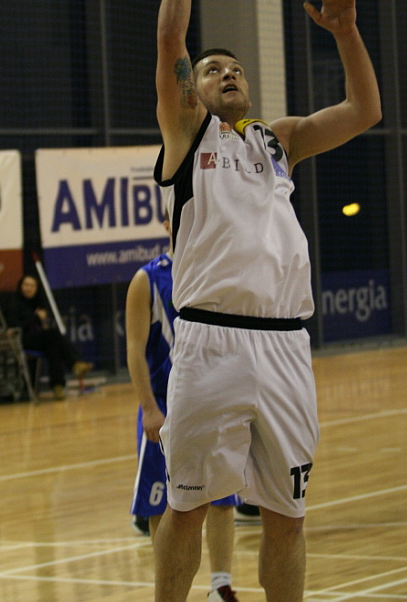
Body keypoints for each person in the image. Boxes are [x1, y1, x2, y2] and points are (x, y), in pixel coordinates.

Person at [151, 0, 382, 602]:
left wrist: (346, 33)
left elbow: (364, 111)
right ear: (192, 90)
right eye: (212, 69)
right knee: (187, 507)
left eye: (236, 69)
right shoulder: (189, 137)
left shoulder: (277, 141)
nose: (227, 73)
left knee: (288, 516)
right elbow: (170, 40)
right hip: (209, 343)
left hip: (286, 346)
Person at [126, 211, 240, 602]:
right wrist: (148, 408)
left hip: (210, 399)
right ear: (167, 224)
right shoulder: (147, 279)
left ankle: (220, 587)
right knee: (160, 503)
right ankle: (170, 589)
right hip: (164, 404)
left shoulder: (217, 270)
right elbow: (135, 350)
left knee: (222, 497)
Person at [5, 275, 92, 400]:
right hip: (22, 339)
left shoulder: (37, 303)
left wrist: (40, 322)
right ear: (20, 286)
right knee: (53, 335)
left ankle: (58, 387)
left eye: (32, 286)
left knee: (53, 346)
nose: (28, 288)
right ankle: (74, 364)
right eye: (26, 285)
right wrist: (36, 317)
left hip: (38, 339)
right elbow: (15, 326)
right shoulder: (14, 303)